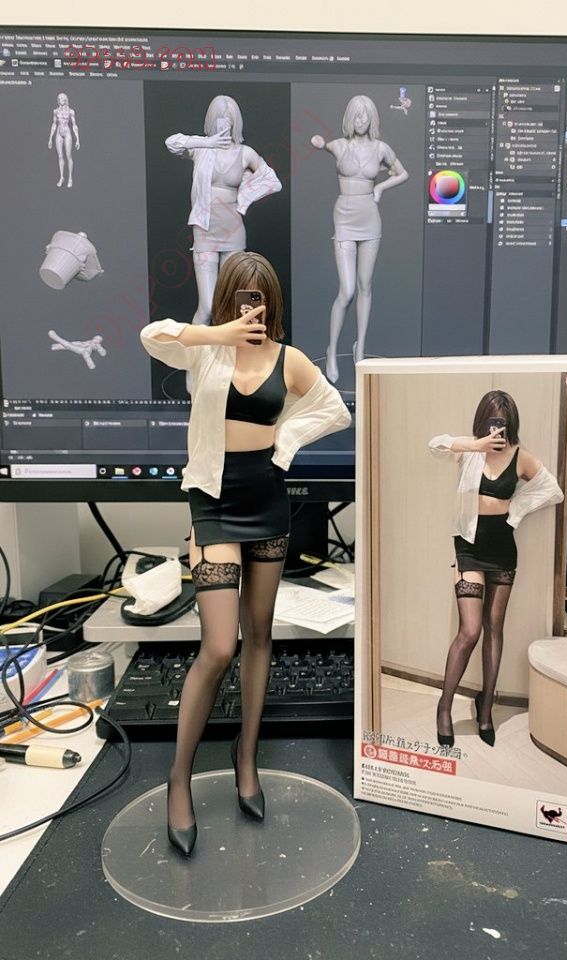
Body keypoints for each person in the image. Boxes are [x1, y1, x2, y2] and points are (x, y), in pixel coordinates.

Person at [140, 252, 351, 855]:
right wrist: (219, 333)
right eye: (241, 296)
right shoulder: (205, 351)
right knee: (218, 645)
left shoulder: (290, 360)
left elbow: (335, 410)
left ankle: (247, 755)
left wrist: (286, 439)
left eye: (259, 298)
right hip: (213, 502)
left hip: (267, 502)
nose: (251, 307)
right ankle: (179, 777)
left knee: (260, 634)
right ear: (227, 298)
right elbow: (153, 336)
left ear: (272, 302)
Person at [428, 390, 563, 749]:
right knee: (470, 631)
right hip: (468, 547)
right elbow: (435, 445)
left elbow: (553, 491)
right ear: (482, 420)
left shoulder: (520, 456)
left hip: (502, 549)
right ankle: (444, 707)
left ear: (511, 423)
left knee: (494, 627)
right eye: (491, 420)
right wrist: (475, 444)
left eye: (502, 421)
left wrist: (515, 510)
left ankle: (486, 708)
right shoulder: (469, 450)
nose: (496, 428)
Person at [311, 95, 408, 382]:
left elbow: (402, 173)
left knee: (365, 286)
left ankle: (360, 348)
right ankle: (331, 349)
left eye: (366, 114)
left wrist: (380, 188)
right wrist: (318, 142)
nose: (361, 119)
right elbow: (322, 144)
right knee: (347, 290)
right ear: (349, 118)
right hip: (344, 217)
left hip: (369, 218)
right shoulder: (339, 146)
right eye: (357, 114)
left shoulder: (381, 148)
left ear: (372, 118)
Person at [166, 95, 282, 327]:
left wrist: (246, 196)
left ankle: (228, 351)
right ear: (211, 120)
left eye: (228, 118)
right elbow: (171, 143)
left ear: (235, 122)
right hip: (205, 230)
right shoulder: (201, 149)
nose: (223, 123)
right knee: (208, 306)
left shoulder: (245, 152)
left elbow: (273, 181)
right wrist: (207, 142)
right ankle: (197, 352)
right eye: (219, 118)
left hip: (233, 230)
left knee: (235, 306)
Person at [48, 93, 80, 188]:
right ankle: (62, 177)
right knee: (60, 155)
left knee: (68, 155)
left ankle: (70, 178)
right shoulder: (55, 111)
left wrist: (77, 139)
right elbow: (54, 124)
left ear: (65, 99)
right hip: (59, 132)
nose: (60, 100)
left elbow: (74, 125)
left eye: (62, 98)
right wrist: (50, 138)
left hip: (67, 132)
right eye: (59, 98)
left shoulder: (71, 111)